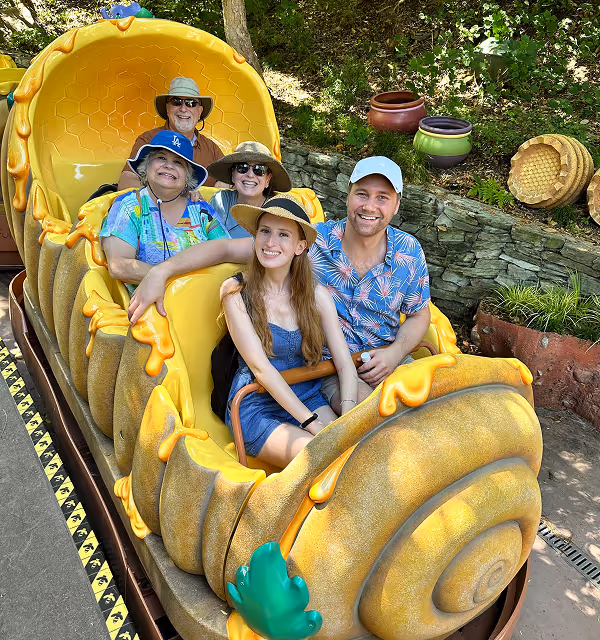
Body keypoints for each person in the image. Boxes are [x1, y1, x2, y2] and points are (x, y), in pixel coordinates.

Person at [221, 195, 358, 467]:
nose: (271, 243)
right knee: (323, 457)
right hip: (257, 403)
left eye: (283, 235)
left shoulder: (316, 296)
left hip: (306, 395)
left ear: (300, 246)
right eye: (265, 232)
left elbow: (345, 364)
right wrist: (311, 423)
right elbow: (261, 369)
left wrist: (350, 418)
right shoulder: (236, 291)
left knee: (354, 452)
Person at [309, 156, 431, 412]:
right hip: (330, 368)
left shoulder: (408, 251)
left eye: (382, 198)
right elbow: (258, 248)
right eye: (362, 194)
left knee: (438, 407)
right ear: (348, 195)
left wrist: (395, 353)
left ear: (396, 205)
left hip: (390, 360)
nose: (369, 206)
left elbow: (419, 314)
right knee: (373, 416)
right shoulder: (312, 241)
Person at [101, 130, 233, 294]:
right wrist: (179, 284)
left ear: (187, 177)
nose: (169, 165)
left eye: (178, 163)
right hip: (149, 313)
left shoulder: (201, 210)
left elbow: (228, 256)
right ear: (146, 167)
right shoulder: (128, 206)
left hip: (205, 304)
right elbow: (120, 266)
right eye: (161, 158)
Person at [117, 77, 225, 192]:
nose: (183, 109)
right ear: (167, 108)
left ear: (200, 112)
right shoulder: (148, 139)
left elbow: (231, 181)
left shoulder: (212, 149)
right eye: (176, 102)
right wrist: (176, 198)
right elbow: (126, 182)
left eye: (191, 103)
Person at [206, 141, 292, 238]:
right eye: (242, 167)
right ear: (233, 174)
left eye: (259, 170)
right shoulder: (220, 200)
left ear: (268, 179)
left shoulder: (278, 211)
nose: (250, 175)